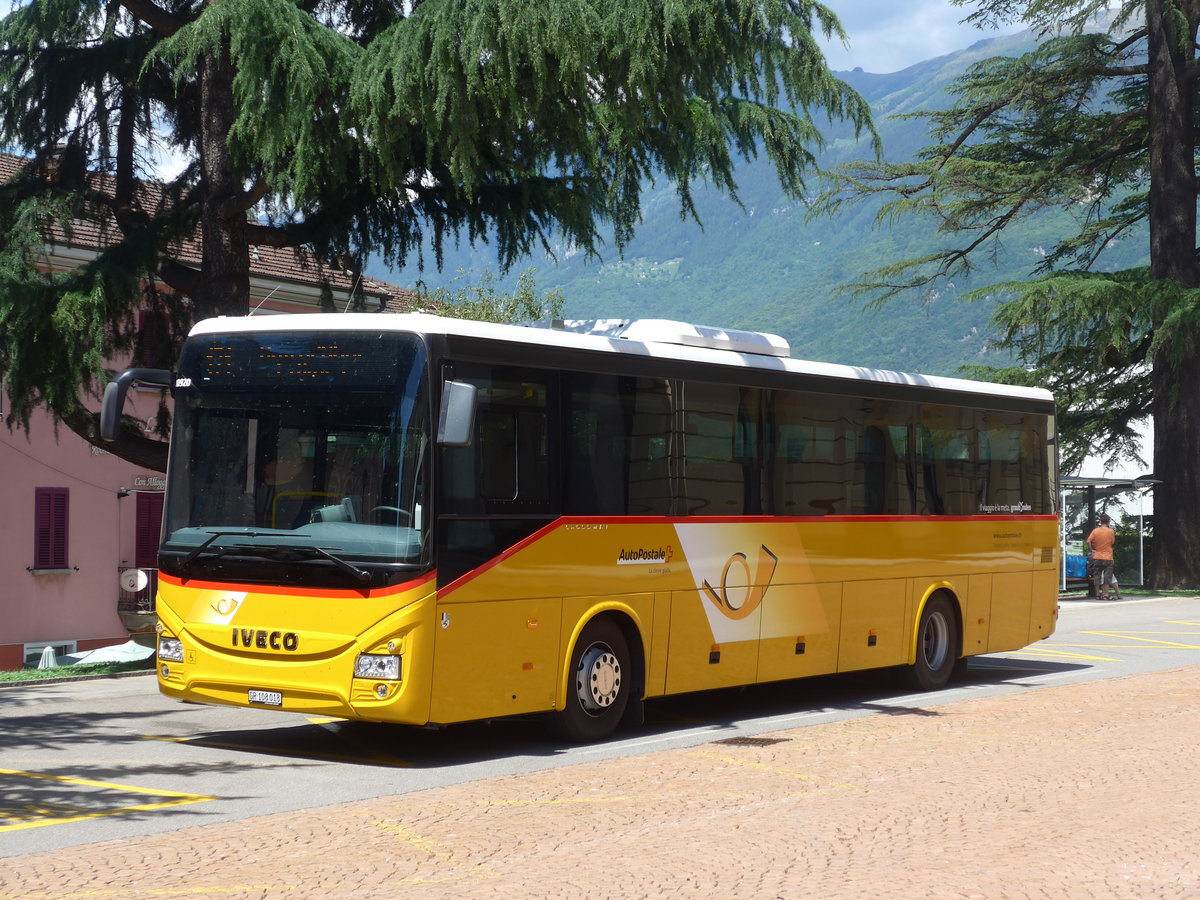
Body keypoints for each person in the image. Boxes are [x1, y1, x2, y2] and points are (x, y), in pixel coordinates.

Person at [1086, 513, 1122, 600]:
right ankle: (1106, 594)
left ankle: (1097, 594)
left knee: (1097, 576)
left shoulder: (1095, 531)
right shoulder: (1111, 531)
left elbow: (1088, 541)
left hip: (1097, 556)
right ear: (1108, 522)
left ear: (1100, 521)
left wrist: (1092, 550)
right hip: (1108, 556)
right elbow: (1112, 542)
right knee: (1107, 576)